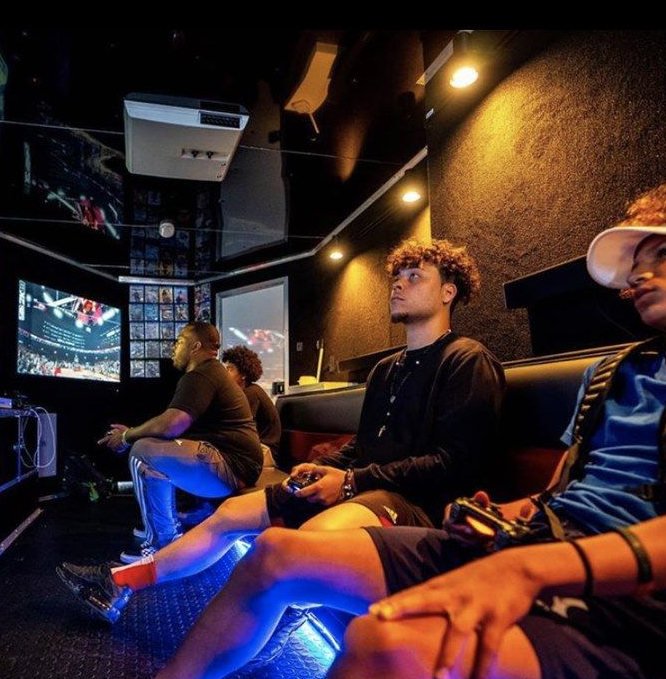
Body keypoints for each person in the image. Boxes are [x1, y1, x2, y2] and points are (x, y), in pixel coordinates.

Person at [64, 166, 666, 679]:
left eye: (664, 251)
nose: (637, 273)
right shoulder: (616, 375)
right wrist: (514, 518)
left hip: (650, 611)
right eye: (636, 259)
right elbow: (570, 491)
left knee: (382, 646)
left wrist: (523, 560)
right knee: (273, 553)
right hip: (532, 544)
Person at [57, 238, 504, 632]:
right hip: (364, 487)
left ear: (449, 292)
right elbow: (365, 446)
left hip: (413, 506)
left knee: (289, 547)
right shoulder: (387, 369)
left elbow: (455, 463)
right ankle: (117, 585)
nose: (398, 284)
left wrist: (351, 482)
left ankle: (274, 629)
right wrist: (324, 468)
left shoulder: (467, 360)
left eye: (414, 276)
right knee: (230, 515)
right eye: (397, 276)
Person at [98, 322, 264, 564]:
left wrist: (127, 436)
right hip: (235, 466)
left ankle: (161, 545)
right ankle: (164, 528)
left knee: (141, 450)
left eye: (180, 340)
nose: (174, 347)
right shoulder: (211, 373)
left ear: (196, 346)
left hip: (231, 468)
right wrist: (135, 431)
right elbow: (172, 426)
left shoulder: (203, 373)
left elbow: (172, 424)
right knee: (148, 448)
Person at [221, 344, 282, 466]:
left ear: (243, 374)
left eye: (230, 369)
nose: (225, 374)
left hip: (265, 453)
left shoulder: (252, 393)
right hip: (255, 450)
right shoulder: (245, 393)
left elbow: (240, 428)